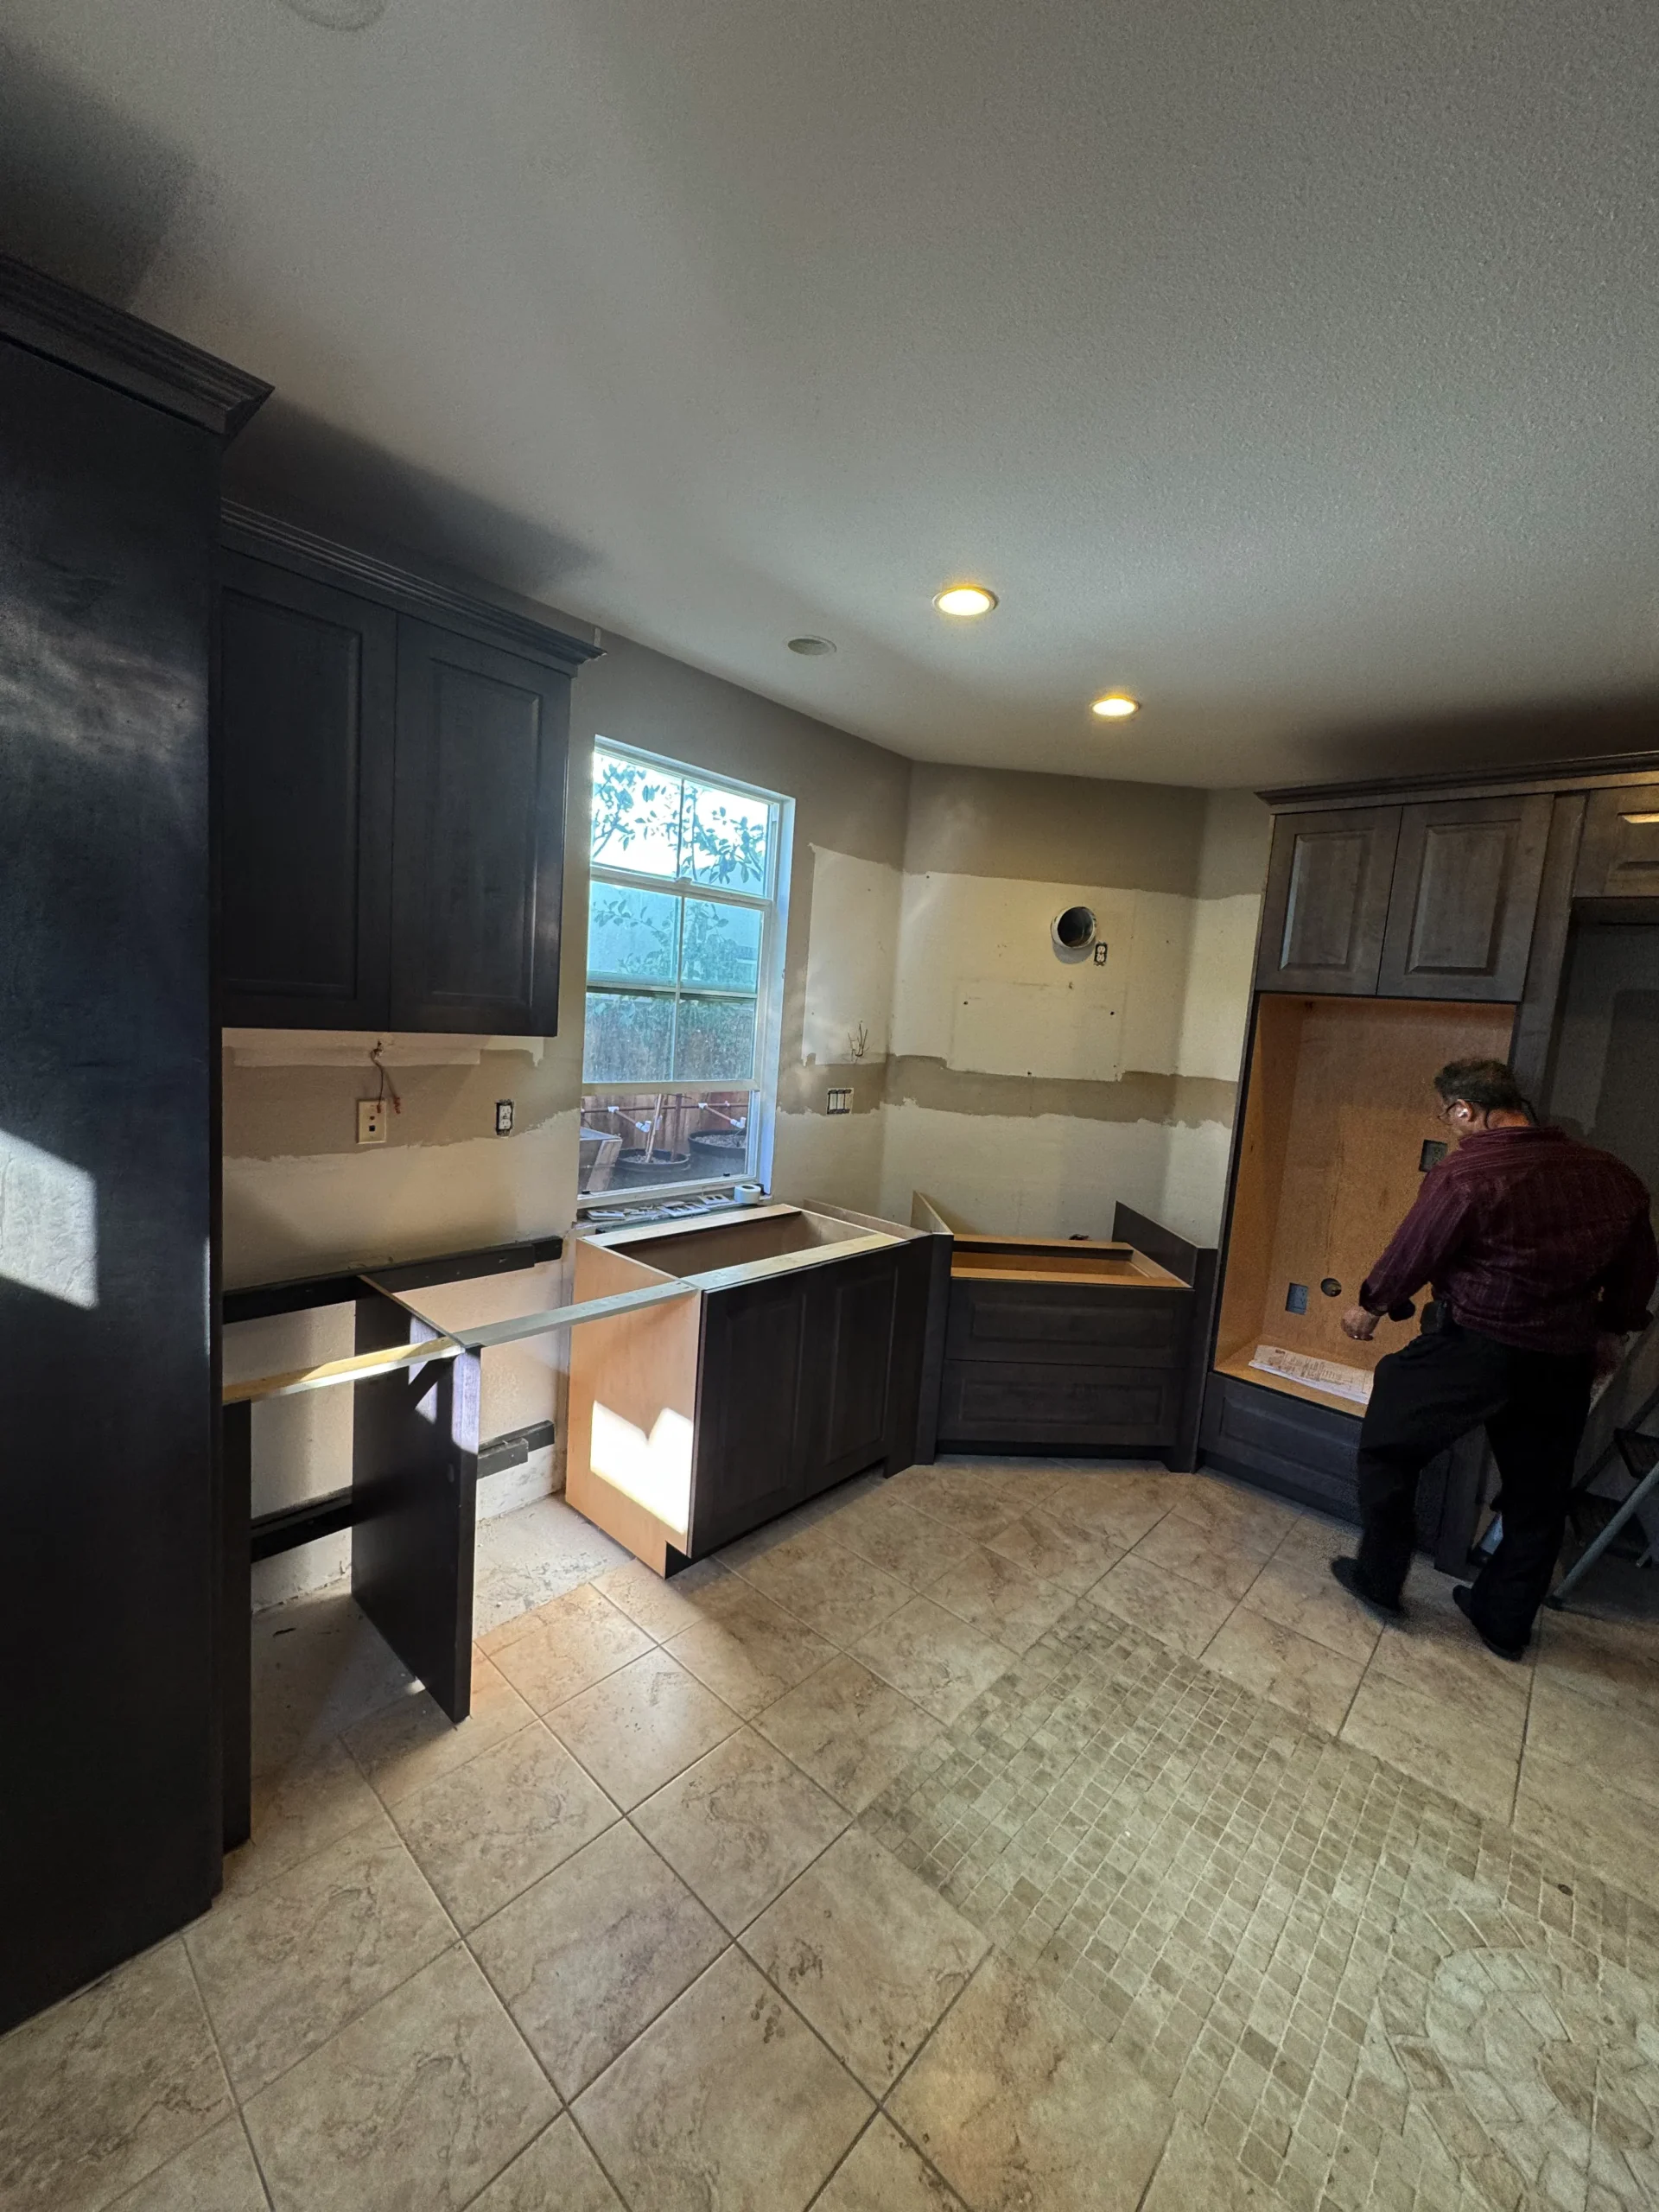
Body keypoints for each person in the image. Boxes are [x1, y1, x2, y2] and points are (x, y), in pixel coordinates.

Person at [1330, 1058, 1656, 1659]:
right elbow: (1638, 1275)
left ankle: (1379, 1578)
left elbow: (1417, 1249)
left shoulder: (1468, 1172)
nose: (1452, 1128)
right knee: (1539, 1495)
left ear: (1466, 1110)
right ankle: (1502, 1620)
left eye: (1449, 1116)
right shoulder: (1613, 1176)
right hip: (1562, 1356)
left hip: (1475, 1344)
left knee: (1388, 1446)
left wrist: (1371, 1306)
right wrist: (1609, 1332)